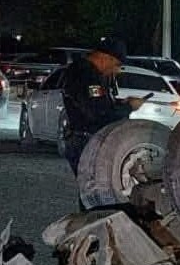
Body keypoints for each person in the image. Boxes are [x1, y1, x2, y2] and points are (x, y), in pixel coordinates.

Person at [61, 38, 145, 177]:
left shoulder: (89, 73)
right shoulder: (86, 74)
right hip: (86, 141)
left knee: (96, 190)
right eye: (117, 64)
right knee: (95, 190)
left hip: (86, 139)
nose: (117, 70)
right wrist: (129, 107)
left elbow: (100, 105)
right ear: (104, 57)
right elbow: (98, 113)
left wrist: (120, 104)